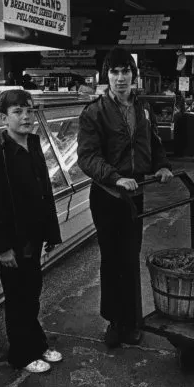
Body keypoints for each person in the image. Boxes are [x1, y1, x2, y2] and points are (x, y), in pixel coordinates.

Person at [76, 47, 173, 348]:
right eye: (115, 72)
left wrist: (162, 165)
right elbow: (87, 157)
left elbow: (152, 142)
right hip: (107, 196)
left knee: (130, 258)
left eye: (125, 71)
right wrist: (115, 177)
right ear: (107, 76)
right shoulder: (94, 112)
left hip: (135, 194)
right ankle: (114, 321)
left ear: (134, 75)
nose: (120, 78)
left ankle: (132, 320)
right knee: (112, 259)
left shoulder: (143, 107)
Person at [0, 89, 63, 373]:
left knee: (32, 293)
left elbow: (44, 193)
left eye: (29, 110)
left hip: (34, 237)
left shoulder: (34, 146)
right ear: (4, 118)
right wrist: (2, 248)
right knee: (17, 299)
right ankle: (21, 354)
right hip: (13, 242)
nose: (26, 117)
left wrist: (51, 233)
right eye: (17, 112)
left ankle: (36, 343)